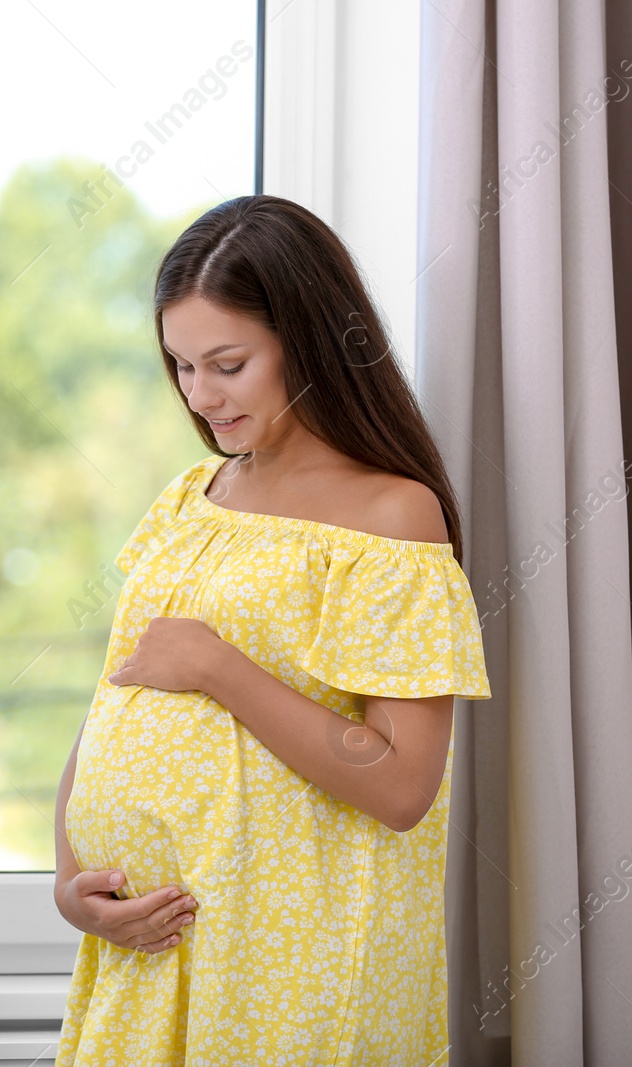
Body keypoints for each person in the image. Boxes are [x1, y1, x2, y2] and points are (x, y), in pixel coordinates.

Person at [51, 194, 493, 1065]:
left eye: (228, 363)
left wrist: (222, 667)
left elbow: (403, 784)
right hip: (151, 951)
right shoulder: (190, 500)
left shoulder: (392, 517)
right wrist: (71, 883)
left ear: (310, 340)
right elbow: (116, 699)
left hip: (292, 962)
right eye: (180, 365)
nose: (200, 395)